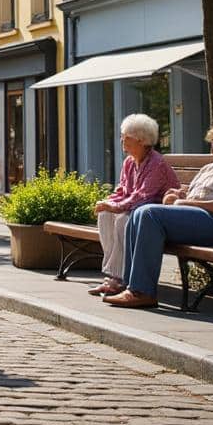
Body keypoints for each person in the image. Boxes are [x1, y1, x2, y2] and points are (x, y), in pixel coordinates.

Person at [105, 117, 213, 309]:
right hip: (208, 221)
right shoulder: (211, 167)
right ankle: (131, 285)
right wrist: (177, 195)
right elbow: (191, 196)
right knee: (138, 212)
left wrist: (187, 202)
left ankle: (141, 292)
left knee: (149, 214)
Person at [89, 114, 179, 297]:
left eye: (127, 136)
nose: (122, 139)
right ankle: (113, 276)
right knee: (105, 215)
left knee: (123, 220)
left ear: (142, 140)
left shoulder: (157, 164)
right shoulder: (129, 162)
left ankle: (121, 279)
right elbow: (123, 190)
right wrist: (108, 202)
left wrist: (115, 207)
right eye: (123, 135)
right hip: (135, 208)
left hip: (154, 214)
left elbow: (142, 196)